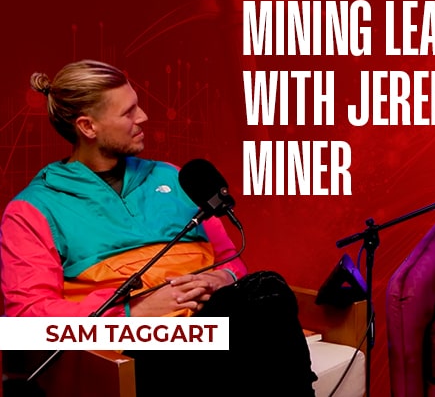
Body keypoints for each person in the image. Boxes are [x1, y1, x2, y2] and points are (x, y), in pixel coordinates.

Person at [0, 60, 316, 396]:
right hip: (138, 345)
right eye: (128, 112)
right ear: (87, 127)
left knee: (267, 289)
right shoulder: (33, 210)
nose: (143, 118)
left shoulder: (173, 178)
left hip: (212, 326)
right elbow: (27, 323)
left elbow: (231, 261)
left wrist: (222, 277)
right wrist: (131, 314)